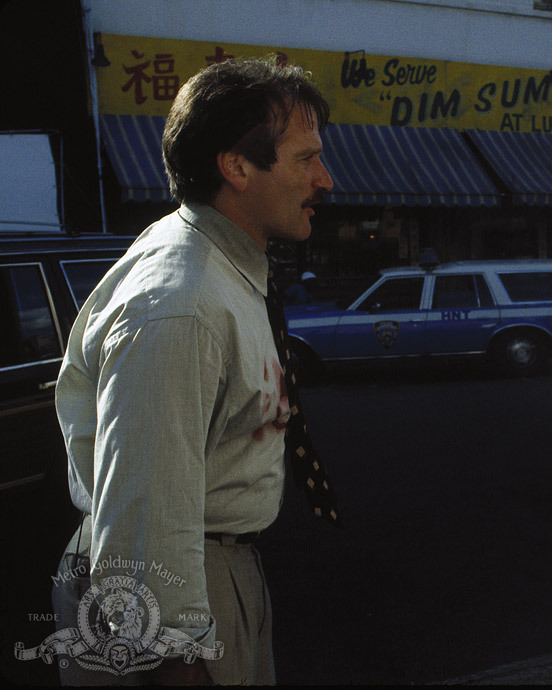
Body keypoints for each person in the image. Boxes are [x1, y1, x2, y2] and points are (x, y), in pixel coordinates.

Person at [52, 57, 339, 685]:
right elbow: (145, 516)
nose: (326, 178)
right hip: (181, 592)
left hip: (212, 573)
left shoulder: (218, 268)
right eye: (305, 158)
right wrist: (177, 659)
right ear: (236, 166)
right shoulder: (179, 305)